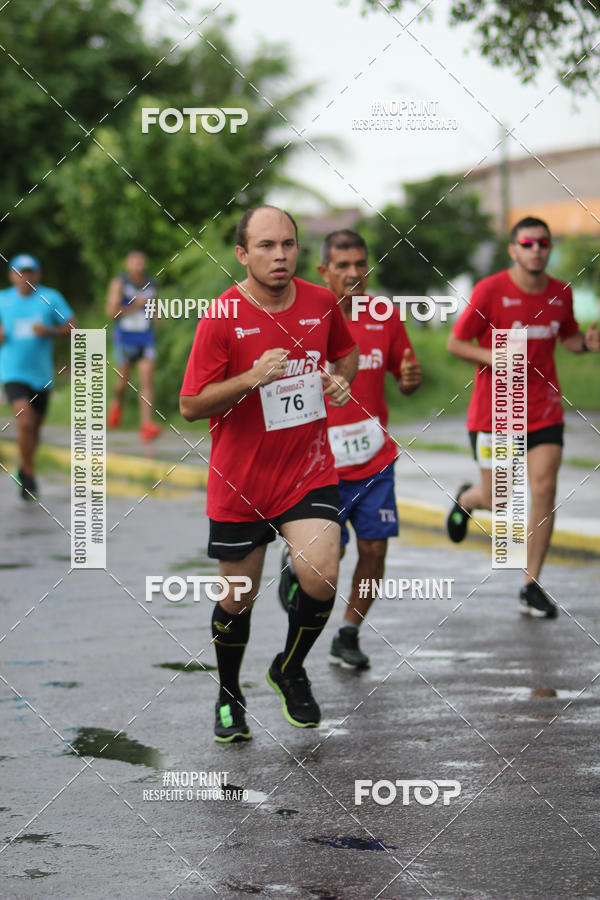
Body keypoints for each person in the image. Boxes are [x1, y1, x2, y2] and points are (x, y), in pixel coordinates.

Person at [180, 206, 358, 743]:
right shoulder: (221, 316)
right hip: (241, 482)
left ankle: (290, 668)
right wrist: (251, 378)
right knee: (238, 596)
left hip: (307, 470)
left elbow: (346, 354)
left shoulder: (321, 302)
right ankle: (229, 695)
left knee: (321, 573)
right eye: (265, 246)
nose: (279, 255)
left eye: (287, 244)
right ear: (242, 254)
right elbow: (190, 405)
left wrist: (340, 380)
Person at [278, 230, 422, 669]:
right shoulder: (306, 318)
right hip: (320, 465)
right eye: (343, 266)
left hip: (375, 460)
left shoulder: (385, 316)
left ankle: (348, 633)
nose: (354, 273)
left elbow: (405, 377)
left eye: (361, 264)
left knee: (375, 551)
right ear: (324, 270)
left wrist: (410, 380)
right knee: (331, 556)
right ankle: (295, 564)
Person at [446, 216, 600, 618]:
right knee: (498, 500)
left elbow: (567, 336)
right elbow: (456, 342)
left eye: (543, 243)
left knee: (544, 488)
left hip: (544, 409)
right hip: (496, 412)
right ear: (513, 250)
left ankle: (531, 585)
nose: (536, 250)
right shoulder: (490, 290)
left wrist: (585, 343)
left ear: (550, 249)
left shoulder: (560, 293)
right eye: (527, 243)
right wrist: (490, 356)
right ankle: (467, 500)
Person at [0, 254, 76, 500]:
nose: (26, 277)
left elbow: (74, 327)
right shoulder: (2, 300)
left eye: (30, 272)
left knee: (34, 428)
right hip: (12, 372)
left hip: (42, 376)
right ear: (11, 276)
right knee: (25, 421)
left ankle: (24, 467)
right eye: (20, 272)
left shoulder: (50, 298)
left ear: (38, 274)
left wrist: (51, 331)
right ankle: (30, 474)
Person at [107, 250, 162, 441]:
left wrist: (157, 316)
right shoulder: (120, 283)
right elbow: (111, 312)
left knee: (147, 379)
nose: (139, 266)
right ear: (127, 264)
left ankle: (146, 424)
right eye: (135, 262)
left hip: (146, 338)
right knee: (123, 381)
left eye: (141, 262)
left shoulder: (151, 284)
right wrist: (135, 305)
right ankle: (116, 403)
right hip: (125, 338)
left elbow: (155, 307)